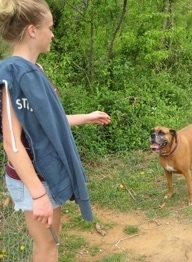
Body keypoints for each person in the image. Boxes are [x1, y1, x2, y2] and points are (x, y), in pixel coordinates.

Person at [0, 0, 111, 261]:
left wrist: (87, 117)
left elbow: (47, 123)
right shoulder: (11, 73)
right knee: (47, 248)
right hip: (33, 179)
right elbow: (12, 143)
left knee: (52, 244)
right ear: (32, 30)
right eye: (50, 27)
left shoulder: (34, 69)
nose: (53, 33)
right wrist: (38, 194)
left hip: (45, 174)